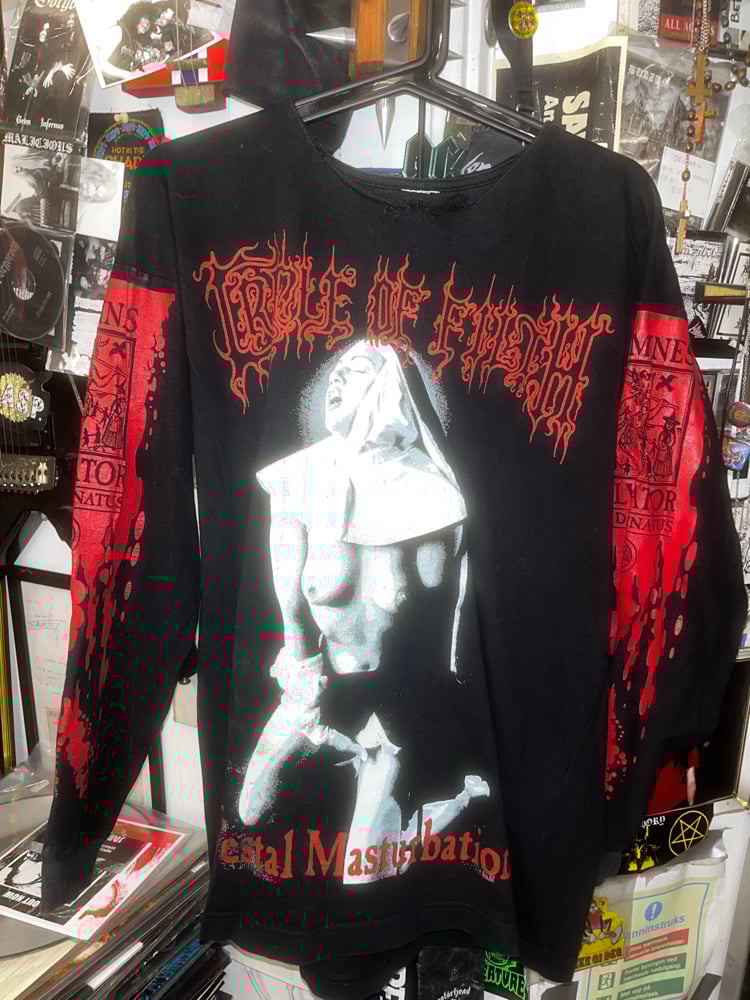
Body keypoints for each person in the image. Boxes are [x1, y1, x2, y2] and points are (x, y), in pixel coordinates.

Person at [238, 339, 490, 883]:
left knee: (364, 873)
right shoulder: (299, 479)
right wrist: (301, 678)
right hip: (317, 681)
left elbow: (443, 618)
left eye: (354, 371)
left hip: (392, 706)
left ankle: (452, 801)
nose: (337, 379)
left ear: (387, 389)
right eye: (336, 371)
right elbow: (289, 600)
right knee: (249, 811)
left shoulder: (432, 496)